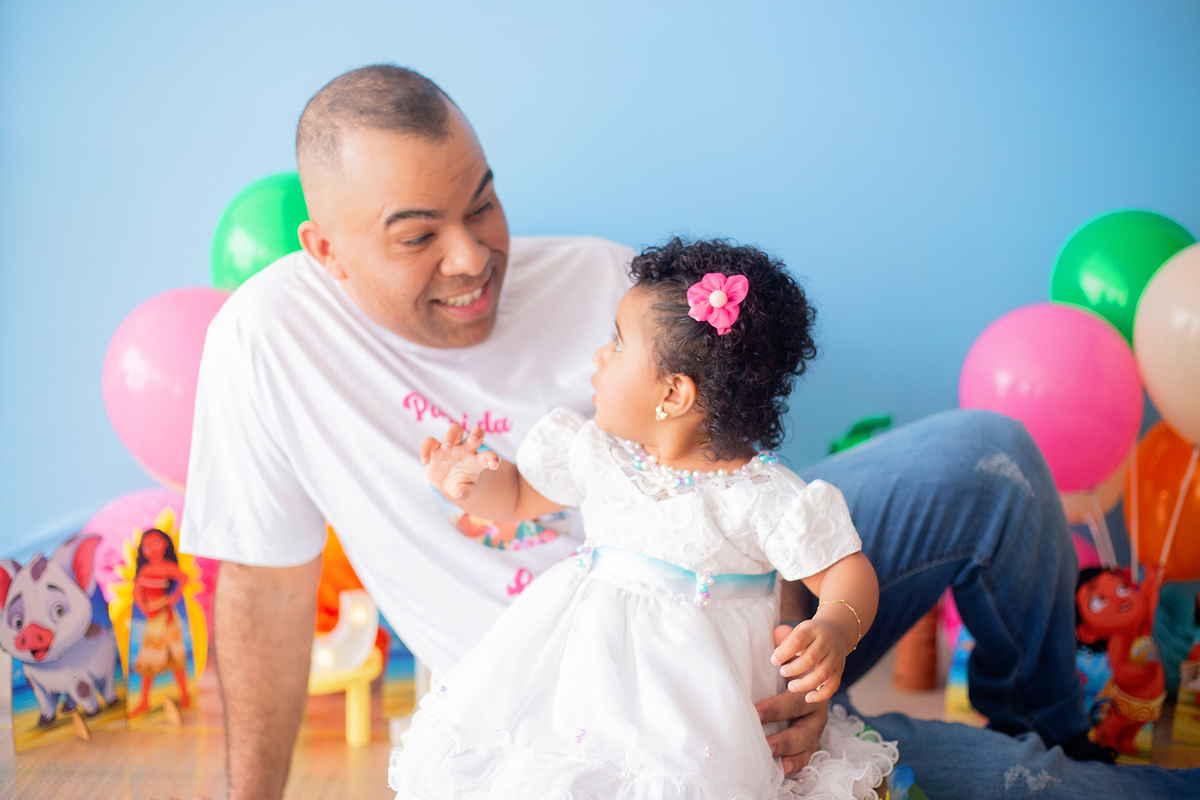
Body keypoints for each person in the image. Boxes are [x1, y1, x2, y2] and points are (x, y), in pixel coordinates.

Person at [179, 64, 1200, 800]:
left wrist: (803, 654)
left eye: (482, 201)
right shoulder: (268, 343)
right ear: (325, 249)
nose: (473, 255)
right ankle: (1024, 765)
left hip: (738, 625)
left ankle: (1053, 717)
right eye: (418, 234)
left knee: (991, 457)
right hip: (595, 707)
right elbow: (266, 587)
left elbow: (744, 496)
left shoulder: (603, 282)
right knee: (1001, 781)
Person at [391, 239, 895, 798]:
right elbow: (515, 497)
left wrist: (833, 627)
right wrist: (470, 484)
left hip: (693, 716)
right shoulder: (598, 454)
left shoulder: (760, 495)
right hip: (582, 689)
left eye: (616, 344)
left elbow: (846, 572)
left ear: (673, 393)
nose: (598, 358)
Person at [130, 528, 192, 715]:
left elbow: (184, 578)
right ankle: (144, 701)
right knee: (148, 661)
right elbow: (136, 591)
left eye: (156, 543)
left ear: (165, 544)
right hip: (152, 619)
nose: (152, 549)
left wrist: (174, 597)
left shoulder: (167, 567)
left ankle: (186, 696)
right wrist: (145, 608)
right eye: (147, 546)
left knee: (176, 658)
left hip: (167, 619)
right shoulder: (145, 570)